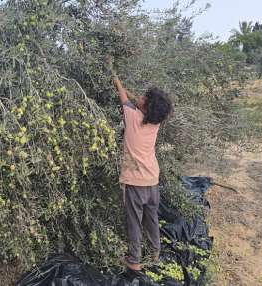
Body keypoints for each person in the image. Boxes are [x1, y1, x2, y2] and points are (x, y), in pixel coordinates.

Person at [107, 57, 172, 271]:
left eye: (145, 97)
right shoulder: (155, 122)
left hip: (135, 183)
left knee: (134, 222)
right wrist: (142, 99)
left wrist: (114, 75)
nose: (140, 97)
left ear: (145, 106)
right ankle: (155, 252)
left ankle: (133, 261)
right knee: (151, 218)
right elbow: (136, 100)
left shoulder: (132, 117)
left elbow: (123, 96)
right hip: (152, 181)